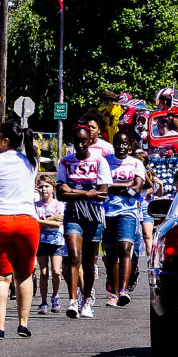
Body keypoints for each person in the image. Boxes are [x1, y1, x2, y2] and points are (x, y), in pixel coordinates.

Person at [0, 122, 40, 340]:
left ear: (6, 141)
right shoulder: (31, 161)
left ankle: (0, 327)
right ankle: (23, 324)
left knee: (0, 276)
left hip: (0, 220)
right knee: (24, 275)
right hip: (27, 221)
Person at [56, 125, 112, 319]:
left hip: (94, 215)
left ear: (90, 141)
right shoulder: (65, 162)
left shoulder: (99, 161)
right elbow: (60, 194)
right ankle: (72, 301)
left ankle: (87, 299)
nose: (80, 145)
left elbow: (103, 194)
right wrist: (88, 193)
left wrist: (73, 191)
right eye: (77, 141)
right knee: (73, 256)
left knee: (89, 262)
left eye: (84, 141)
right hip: (73, 213)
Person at [103, 130, 145, 308]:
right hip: (107, 211)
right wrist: (125, 185)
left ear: (130, 146)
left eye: (125, 143)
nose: (121, 147)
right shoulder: (105, 162)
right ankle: (113, 290)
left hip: (128, 211)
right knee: (111, 253)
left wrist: (114, 186)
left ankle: (123, 291)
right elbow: (102, 187)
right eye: (118, 143)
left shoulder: (136, 163)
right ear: (113, 145)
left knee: (125, 248)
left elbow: (137, 188)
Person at [35, 175, 64, 315]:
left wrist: (41, 221)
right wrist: (50, 219)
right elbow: (32, 221)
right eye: (41, 186)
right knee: (43, 272)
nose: (44, 189)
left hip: (57, 241)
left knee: (56, 271)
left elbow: (58, 223)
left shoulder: (59, 204)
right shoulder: (35, 205)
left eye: (46, 186)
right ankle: (43, 301)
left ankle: (56, 295)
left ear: (52, 188)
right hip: (41, 241)